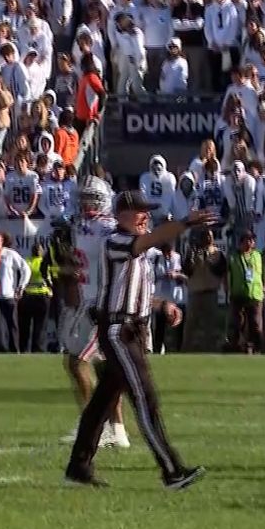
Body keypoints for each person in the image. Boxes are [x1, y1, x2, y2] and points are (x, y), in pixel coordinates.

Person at [64, 192, 214, 491]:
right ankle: (171, 470)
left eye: (147, 211)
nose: (145, 216)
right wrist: (184, 223)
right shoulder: (116, 240)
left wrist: (162, 306)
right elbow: (149, 242)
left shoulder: (139, 250)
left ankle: (79, 466)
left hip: (132, 329)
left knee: (102, 402)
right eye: (139, 211)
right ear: (120, 215)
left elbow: (136, 294)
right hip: (119, 332)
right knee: (145, 397)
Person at [182, 228, 227, 353]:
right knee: (191, 324)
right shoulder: (193, 251)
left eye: (210, 236)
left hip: (211, 293)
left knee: (210, 325)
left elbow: (221, 271)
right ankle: (186, 350)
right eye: (205, 235)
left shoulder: (217, 253)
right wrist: (192, 258)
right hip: (195, 292)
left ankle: (210, 350)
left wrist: (210, 261)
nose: (208, 238)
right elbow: (186, 270)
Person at [227, 230, 265, 354]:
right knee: (238, 323)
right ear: (240, 243)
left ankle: (257, 349)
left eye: (251, 240)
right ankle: (239, 348)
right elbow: (227, 274)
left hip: (255, 294)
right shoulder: (233, 256)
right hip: (238, 294)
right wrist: (227, 289)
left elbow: (264, 273)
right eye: (246, 240)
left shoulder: (258, 256)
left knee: (256, 324)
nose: (249, 243)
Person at [0, 231, 30, 353]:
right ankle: (0, 350)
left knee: (12, 325)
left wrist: (21, 287)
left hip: (8, 296)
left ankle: (15, 350)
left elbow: (25, 269)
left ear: (2, 241)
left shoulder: (10, 254)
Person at [17, 240, 53, 352]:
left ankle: (23, 348)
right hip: (42, 296)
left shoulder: (26, 262)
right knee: (41, 326)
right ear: (42, 251)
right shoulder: (45, 262)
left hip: (27, 297)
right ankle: (38, 349)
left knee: (24, 326)